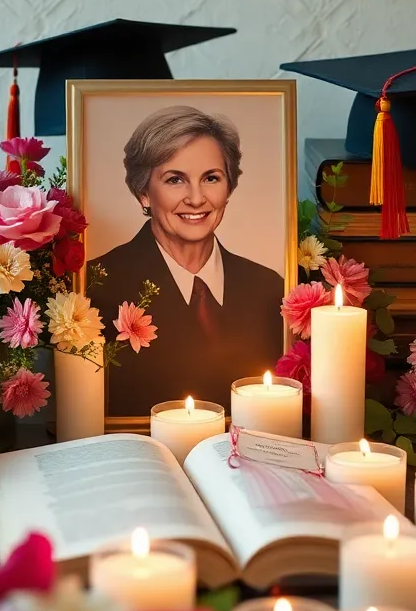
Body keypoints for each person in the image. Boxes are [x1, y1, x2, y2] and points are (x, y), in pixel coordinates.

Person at [89, 105, 285, 418]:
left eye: (211, 178)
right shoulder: (96, 285)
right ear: (143, 192)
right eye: (175, 180)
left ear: (229, 187)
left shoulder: (268, 287)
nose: (196, 198)